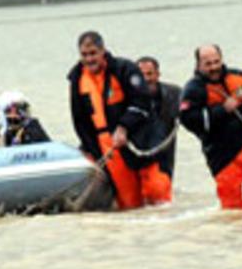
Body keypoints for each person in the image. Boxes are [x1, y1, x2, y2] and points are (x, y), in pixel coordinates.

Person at [179, 44, 242, 209]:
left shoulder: (241, 77)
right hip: (223, 156)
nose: (213, 67)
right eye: (208, 64)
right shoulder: (193, 89)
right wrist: (222, 110)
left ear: (222, 59)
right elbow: (188, 120)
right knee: (232, 209)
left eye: (216, 61)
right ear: (198, 65)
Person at [68, 31, 154, 210]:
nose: (89, 59)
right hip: (103, 143)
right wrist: (88, 147)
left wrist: (124, 127)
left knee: (153, 191)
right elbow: (79, 119)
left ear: (103, 51)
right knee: (127, 199)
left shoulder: (124, 69)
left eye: (93, 53)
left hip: (131, 138)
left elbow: (142, 101)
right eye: (84, 55)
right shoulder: (77, 79)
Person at [131, 56, 183, 204]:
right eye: (142, 75)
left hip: (162, 158)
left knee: (160, 201)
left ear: (158, 75)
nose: (146, 79)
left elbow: (193, 118)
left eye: (150, 74)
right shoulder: (126, 97)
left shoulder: (174, 94)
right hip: (134, 157)